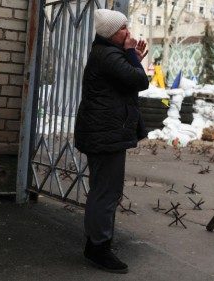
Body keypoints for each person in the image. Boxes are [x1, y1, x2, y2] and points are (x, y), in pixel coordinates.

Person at [74, 9, 149, 274]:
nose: (128, 33)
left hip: (104, 133)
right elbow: (140, 81)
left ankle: (97, 243)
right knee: (106, 192)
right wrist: (132, 57)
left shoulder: (107, 54)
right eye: (123, 28)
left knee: (103, 190)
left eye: (127, 27)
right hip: (105, 135)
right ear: (109, 33)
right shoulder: (108, 55)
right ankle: (98, 249)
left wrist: (133, 57)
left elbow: (126, 83)